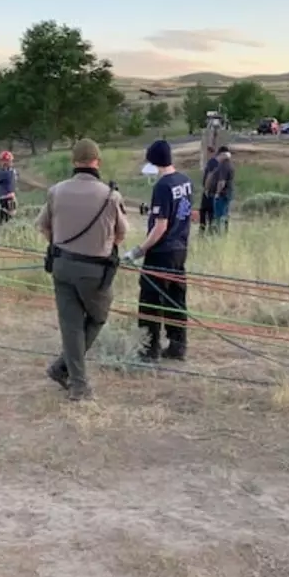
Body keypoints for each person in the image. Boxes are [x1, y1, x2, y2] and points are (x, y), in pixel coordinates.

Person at [35, 138, 128, 401]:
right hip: (95, 272)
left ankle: (76, 382)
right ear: (97, 161)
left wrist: (60, 244)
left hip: (62, 266)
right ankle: (66, 373)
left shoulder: (56, 191)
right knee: (97, 318)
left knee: (70, 325)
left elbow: (43, 226)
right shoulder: (110, 196)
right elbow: (121, 234)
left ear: (74, 162)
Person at [123, 139, 193, 362]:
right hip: (180, 247)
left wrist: (139, 250)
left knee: (150, 300)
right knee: (176, 299)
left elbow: (160, 225)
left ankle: (149, 348)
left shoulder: (162, 186)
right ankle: (177, 345)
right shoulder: (184, 181)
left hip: (161, 251)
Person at [211, 146, 235, 234]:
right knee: (225, 215)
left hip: (222, 194)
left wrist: (217, 193)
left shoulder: (223, 165)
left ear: (222, 155)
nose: (218, 158)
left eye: (219, 156)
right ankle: (224, 232)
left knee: (219, 216)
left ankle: (219, 234)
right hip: (228, 193)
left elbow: (222, 182)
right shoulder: (230, 164)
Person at [199, 146, 218, 235]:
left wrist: (206, 189)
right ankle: (209, 229)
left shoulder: (212, 162)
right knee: (210, 211)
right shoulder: (214, 162)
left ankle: (203, 229)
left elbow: (210, 176)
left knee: (204, 210)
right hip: (212, 190)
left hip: (209, 191)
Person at [0, 150, 17, 223]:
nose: (11, 162)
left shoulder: (7, 172)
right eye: (10, 161)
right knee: (8, 217)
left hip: (8, 197)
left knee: (8, 218)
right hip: (7, 197)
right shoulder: (8, 172)